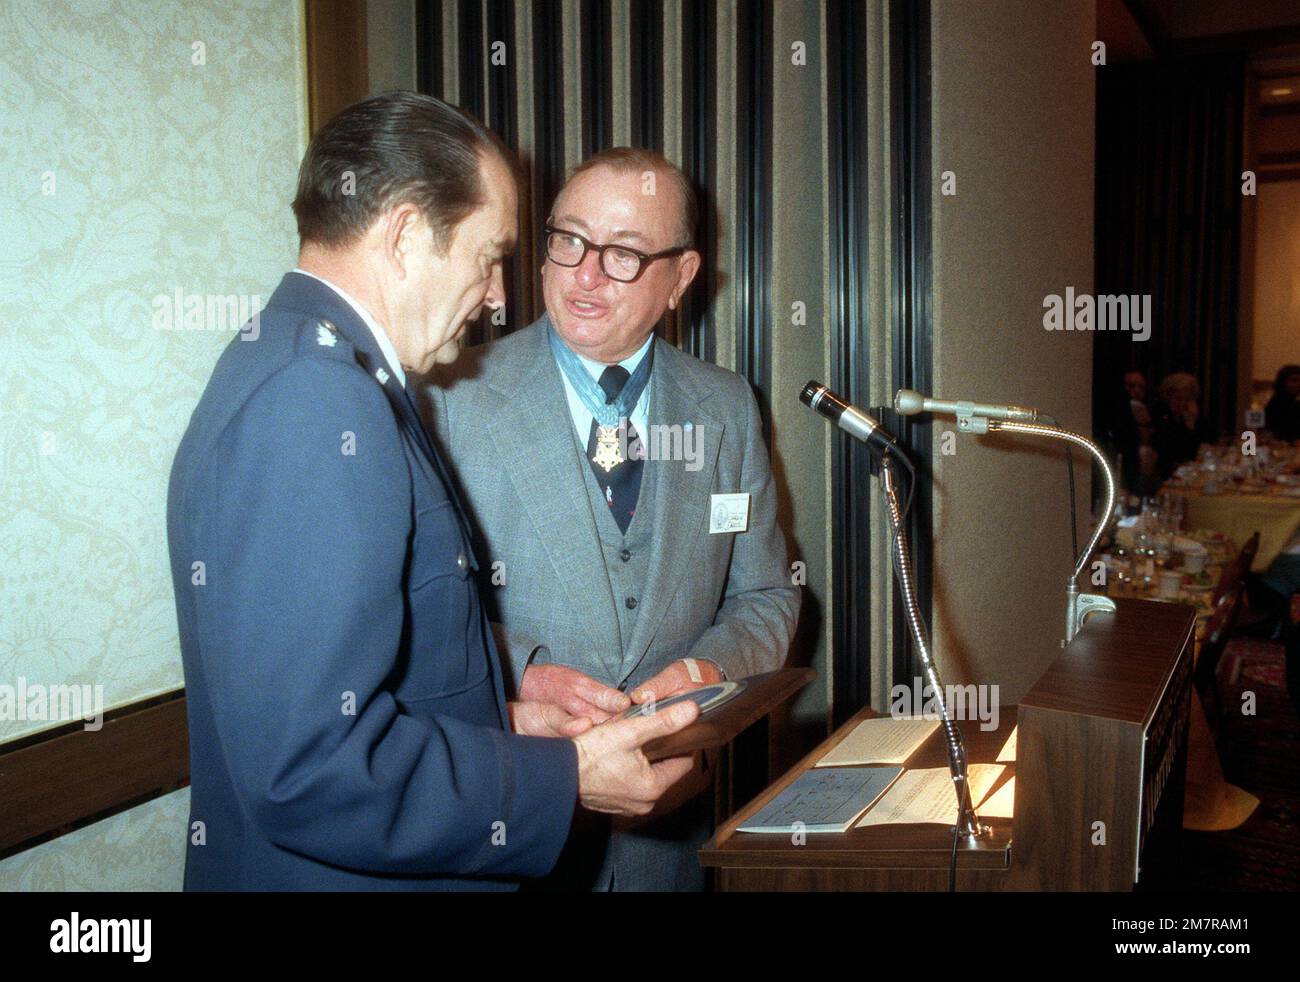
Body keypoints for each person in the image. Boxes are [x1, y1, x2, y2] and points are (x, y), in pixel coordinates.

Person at [166, 94, 700, 891]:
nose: (497, 296)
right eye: (489, 257)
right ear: (406, 233)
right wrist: (565, 777)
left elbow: (356, 693)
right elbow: (311, 766)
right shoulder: (316, 399)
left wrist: (508, 726)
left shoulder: (302, 363)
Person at [424, 147, 800, 890]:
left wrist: (703, 672)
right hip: (510, 838)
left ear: (681, 278)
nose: (585, 275)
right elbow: (415, 617)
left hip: (669, 841)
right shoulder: (448, 400)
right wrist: (523, 673)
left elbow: (768, 595)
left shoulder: (726, 407)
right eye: (568, 240)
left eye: (624, 253)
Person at [1152, 372, 1210, 479]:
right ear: (1167, 397)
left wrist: (1191, 426)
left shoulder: (1194, 419)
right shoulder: (1159, 416)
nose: (1182, 403)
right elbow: (1171, 454)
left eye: (1187, 399)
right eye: (1178, 398)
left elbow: (1199, 453)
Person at [1265, 364, 1300, 444]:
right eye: (1294, 380)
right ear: (1283, 382)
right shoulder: (1277, 404)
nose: (1298, 384)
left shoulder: (1294, 403)